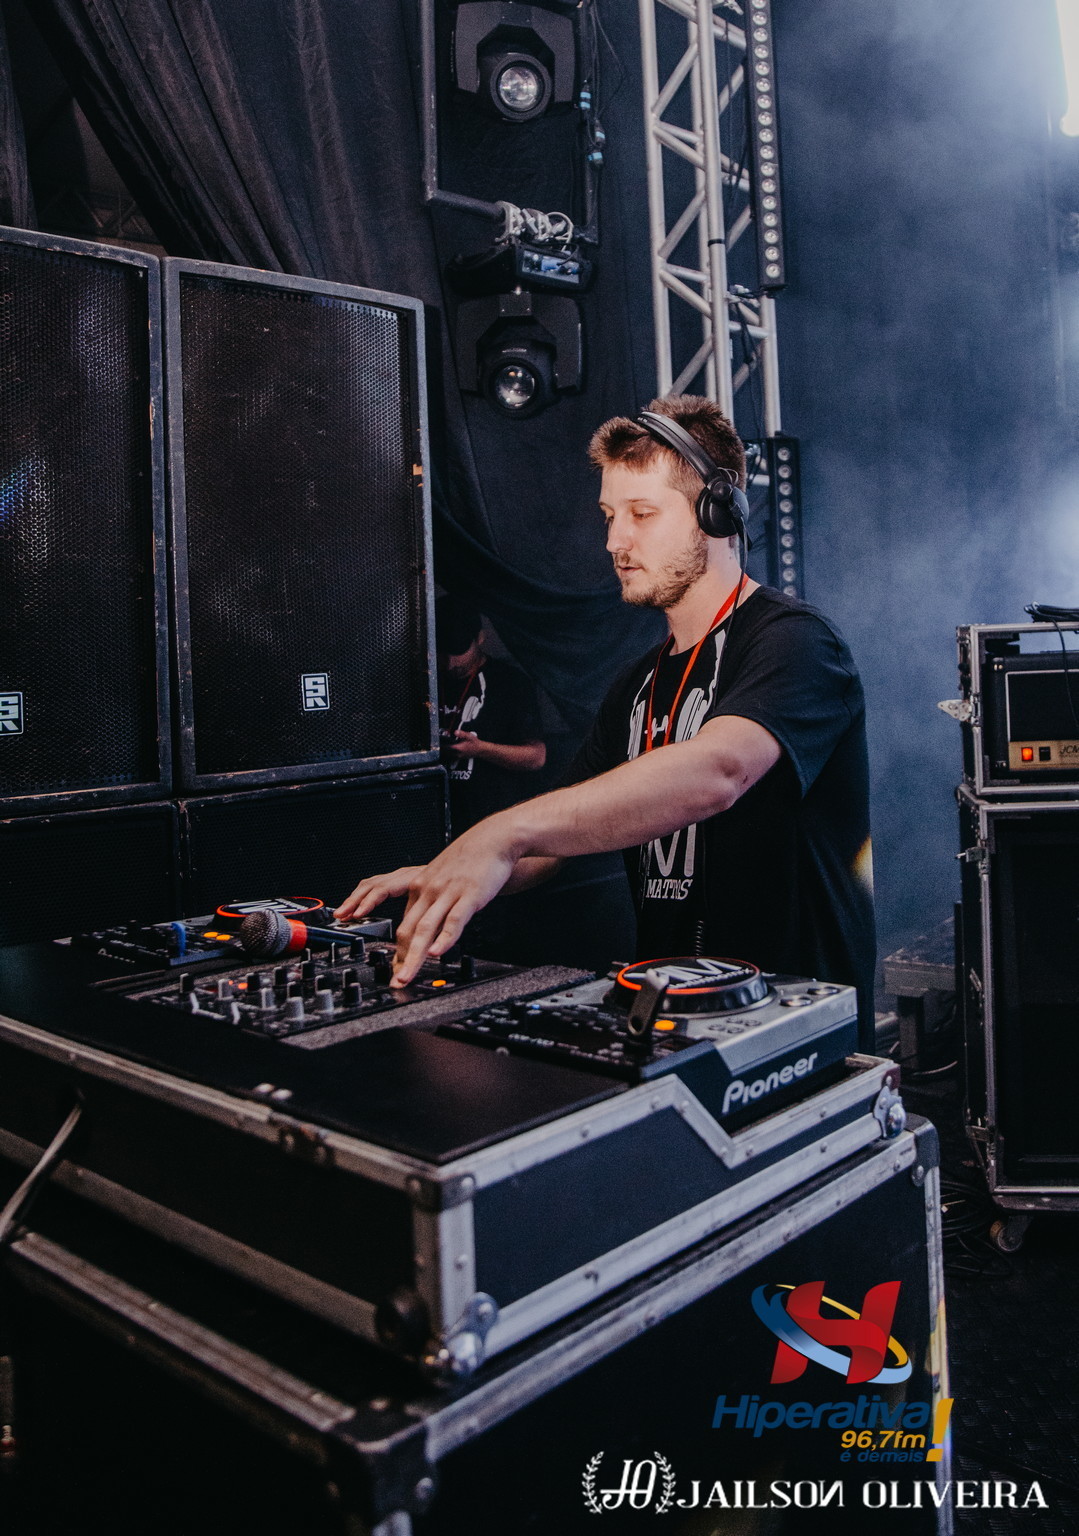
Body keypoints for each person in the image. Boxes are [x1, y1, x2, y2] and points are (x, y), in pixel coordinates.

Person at [338, 396, 876, 1048]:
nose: (615, 542)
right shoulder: (635, 684)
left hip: (793, 1034)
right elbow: (548, 848)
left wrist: (499, 831)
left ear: (717, 512)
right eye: (609, 516)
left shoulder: (796, 643)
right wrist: (451, 873)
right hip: (672, 1027)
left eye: (641, 514)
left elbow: (718, 771)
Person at [435, 594, 547, 832]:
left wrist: (480, 749)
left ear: (480, 638)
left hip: (492, 824)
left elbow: (536, 757)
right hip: (436, 822)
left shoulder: (511, 682)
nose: (450, 663)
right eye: (442, 652)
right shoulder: (426, 680)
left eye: (459, 650)